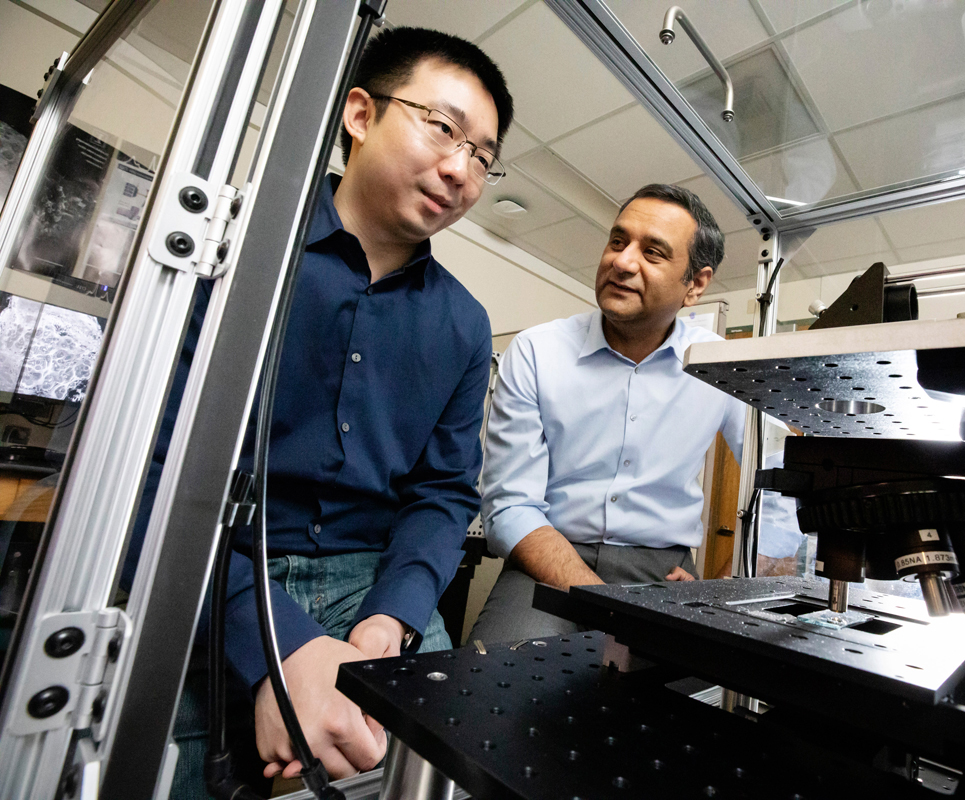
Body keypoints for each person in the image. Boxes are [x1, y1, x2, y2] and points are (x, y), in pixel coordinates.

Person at [131, 27, 514, 797]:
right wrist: (285, 651)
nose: (459, 169)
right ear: (361, 114)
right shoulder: (228, 242)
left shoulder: (465, 327)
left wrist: (388, 623)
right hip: (217, 559)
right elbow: (150, 469)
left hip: (373, 579)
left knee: (445, 771)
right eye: (444, 127)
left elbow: (442, 493)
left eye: (482, 155)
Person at [469, 184, 798, 644]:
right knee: (499, 698)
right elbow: (509, 505)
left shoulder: (722, 368)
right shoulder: (536, 352)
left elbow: (786, 485)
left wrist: (729, 584)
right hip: (546, 562)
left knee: (683, 705)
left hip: (665, 576)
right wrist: (608, 606)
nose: (622, 262)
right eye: (618, 241)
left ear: (695, 285)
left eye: (654, 253)